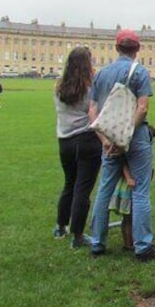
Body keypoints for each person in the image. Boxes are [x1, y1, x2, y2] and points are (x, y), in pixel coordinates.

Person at [88, 29, 155, 261]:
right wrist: (126, 136)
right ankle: (143, 247)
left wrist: (105, 141)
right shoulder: (139, 71)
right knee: (140, 191)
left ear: (116, 48)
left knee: (104, 189)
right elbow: (142, 108)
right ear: (137, 49)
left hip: (108, 139)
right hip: (135, 137)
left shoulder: (101, 74)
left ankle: (97, 243)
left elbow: (92, 111)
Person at [54, 47, 103, 248]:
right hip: (87, 141)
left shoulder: (59, 87)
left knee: (69, 184)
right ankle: (78, 236)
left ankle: (60, 226)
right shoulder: (91, 89)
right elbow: (96, 114)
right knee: (82, 189)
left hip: (65, 141)